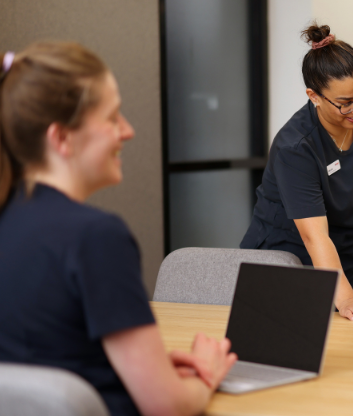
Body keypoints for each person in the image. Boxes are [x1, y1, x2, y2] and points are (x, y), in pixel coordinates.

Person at [0, 42, 237, 416]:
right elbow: (167, 406)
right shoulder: (94, 237)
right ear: (61, 138)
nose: (127, 130)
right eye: (112, 118)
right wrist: (205, 376)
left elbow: (42, 360)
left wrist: (143, 370)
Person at [240, 23, 353, 322]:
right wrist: (348, 299)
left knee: (350, 347)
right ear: (314, 96)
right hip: (285, 260)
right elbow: (314, 238)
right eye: (344, 103)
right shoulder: (296, 146)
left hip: (340, 256)